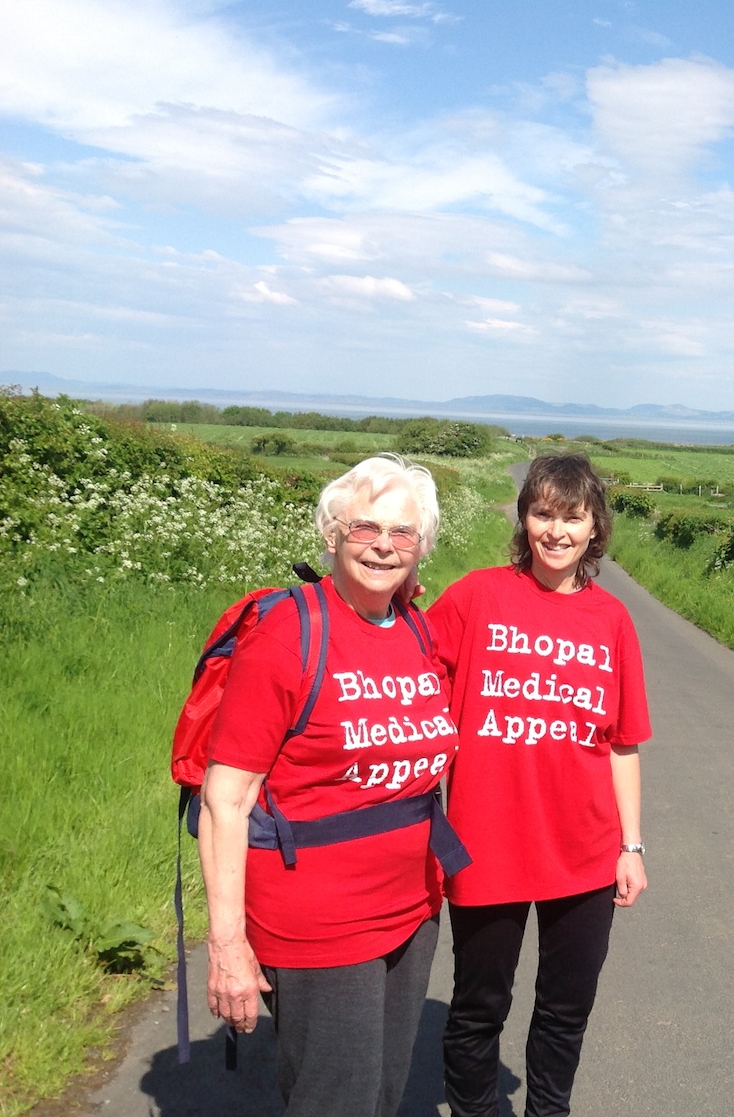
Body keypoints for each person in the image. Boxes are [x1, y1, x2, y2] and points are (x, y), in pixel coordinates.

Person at [199, 453, 468, 1117]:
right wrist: (228, 945)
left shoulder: (413, 626)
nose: (383, 543)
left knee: (381, 1093)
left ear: (423, 546)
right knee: (334, 1100)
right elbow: (225, 798)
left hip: (412, 909)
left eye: (403, 532)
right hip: (318, 917)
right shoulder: (290, 632)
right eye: (364, 527)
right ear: (331, 534)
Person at [426, 452, 651, 1117]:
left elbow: (623, 743)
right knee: (478, 1007)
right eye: (542, 513)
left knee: (565, 1012)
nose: (556, 530)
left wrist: (630, 846)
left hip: (585, 852)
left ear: (594, 526)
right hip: (486, 842)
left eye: (572, 516)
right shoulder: (476, 596)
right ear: (524, 519)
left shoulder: (611, 620)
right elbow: (409, 679)